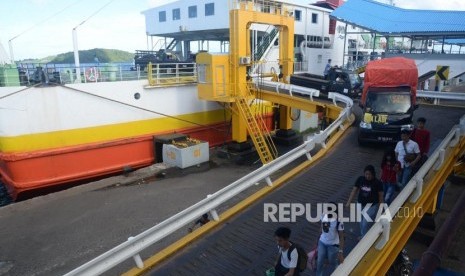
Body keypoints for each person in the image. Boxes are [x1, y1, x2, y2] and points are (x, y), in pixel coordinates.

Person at [346, 165, 384, 238]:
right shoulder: (360, 179)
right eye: (366, 174)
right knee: (360, 221)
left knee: (365, 223)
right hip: (360, 204)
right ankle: (363, 234)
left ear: (373, 174)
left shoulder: (377, 183)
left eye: (369, 174)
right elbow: (354, 191)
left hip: (371, 206)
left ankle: (364, 237)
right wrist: (348, 202)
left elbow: (380, 196)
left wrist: (380, 208)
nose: (367, 176)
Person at [316, 202, 344, 276]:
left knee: (332, 260)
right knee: (319, 261)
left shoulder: (339, 220)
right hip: (322, 241)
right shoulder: (323, 215)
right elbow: (321, 227)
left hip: (333, 245)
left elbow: (341, 236)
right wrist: (317, 240)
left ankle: (336, 266)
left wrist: (340, 252)